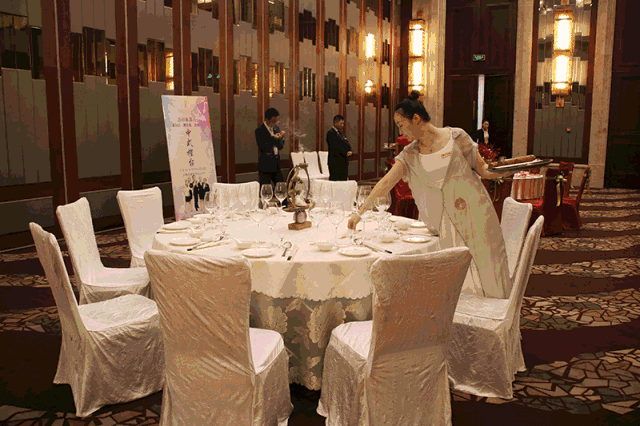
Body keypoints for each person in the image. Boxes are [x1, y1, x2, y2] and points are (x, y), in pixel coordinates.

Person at [348, 92, 515, 299]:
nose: (400, 131)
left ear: (416, 118)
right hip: (443, 224)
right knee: (453, 281)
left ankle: (494, 315)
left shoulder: (456, 138)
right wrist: (359, 213)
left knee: (487, 270)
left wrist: (511, 169)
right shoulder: (410, 154)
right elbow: (385, 183)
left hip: (476, 216)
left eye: (401, 125)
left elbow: (484, 171)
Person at [256, 108, 286, 189]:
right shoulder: (259, 131)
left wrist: (282, 138)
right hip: (265, 166)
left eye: (277, 121)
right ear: (266, 119)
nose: (275, 123)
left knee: (282, 188)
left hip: (276, 165)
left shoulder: (276, 129)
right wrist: (274, 138)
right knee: (265, 190)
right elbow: (262, 146)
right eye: (273, 121)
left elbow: (280, 147)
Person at [326, 115, 353, 181]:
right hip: (335, 162)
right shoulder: (330, 133)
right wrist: (345, 152)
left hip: (343, 162)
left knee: (343, 181)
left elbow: (347, 144)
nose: (342, 125)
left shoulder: (342, 134)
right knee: (335, 182)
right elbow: (335, 147)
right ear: (335, 123)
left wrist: (350, 151)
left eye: (343, 123)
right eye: (341, 123)